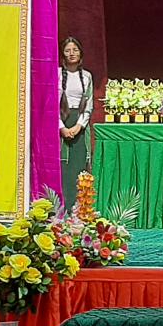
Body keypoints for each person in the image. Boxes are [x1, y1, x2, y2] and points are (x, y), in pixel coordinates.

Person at [59, 36, 94, 207]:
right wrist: (61, 127)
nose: (71, 53)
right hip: (62, 121)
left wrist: (79, 125)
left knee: (79, 166)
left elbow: (89, 104)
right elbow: (50, 104)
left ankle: (79, 209)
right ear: (63, 54)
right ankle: (61, 207)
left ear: (80, 53)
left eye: (75, 50)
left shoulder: (87, 76)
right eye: (67, 50)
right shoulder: (57, 74)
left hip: (78, 124)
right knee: (63, 166)